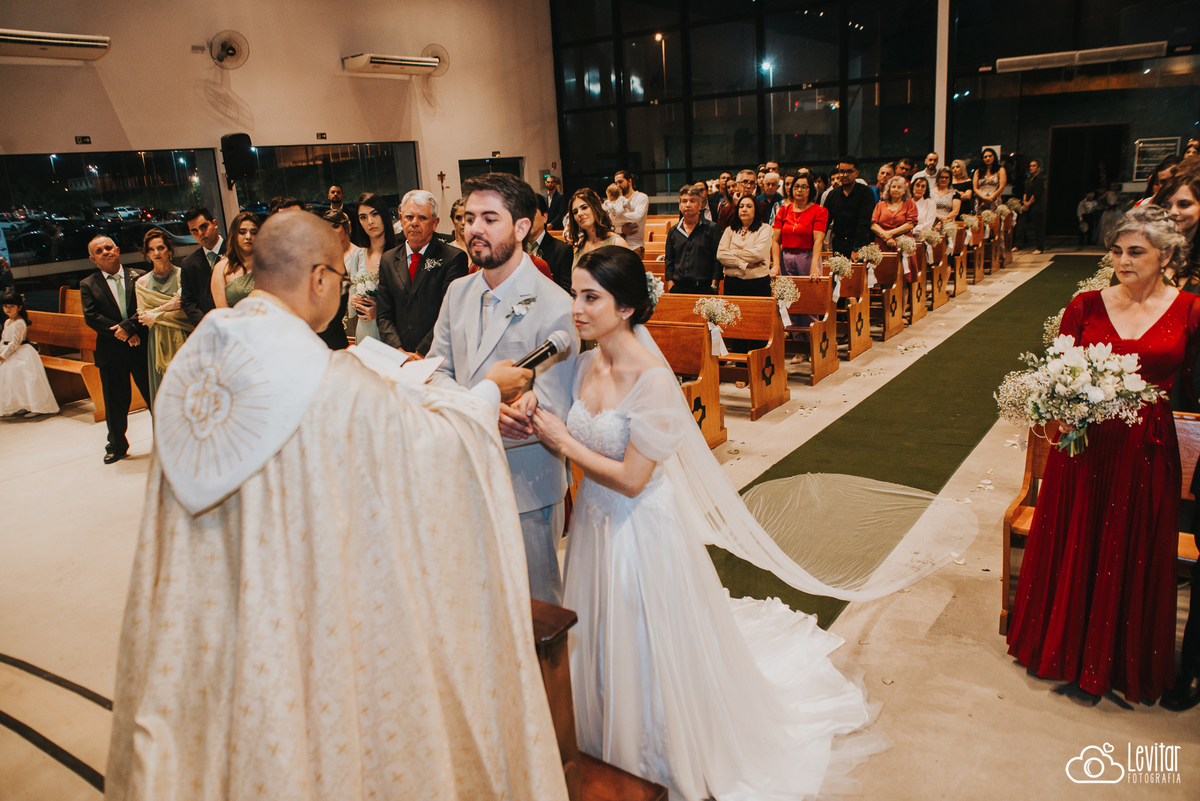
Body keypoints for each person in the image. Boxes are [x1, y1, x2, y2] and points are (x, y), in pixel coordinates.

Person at [104, 209, 568, 801]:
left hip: (203, 615)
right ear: (321, 278)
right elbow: (429, 453)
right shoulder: (328, 385)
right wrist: (484, 395)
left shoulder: (197, 362)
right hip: (293, 613)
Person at [528, 246, 878, 800]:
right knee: (599, 634)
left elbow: (632, 478)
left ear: (625, 309)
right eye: (575, 294)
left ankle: (661, 753)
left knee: (646, 640)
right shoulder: (584, 362)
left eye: (590, 297)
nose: (576, 308)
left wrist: (564, 440)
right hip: (595, 527)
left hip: (639, 529)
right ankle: (602, 746)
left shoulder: (652, 380)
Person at [1007, 205, 1200, 705]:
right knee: (1079, 536)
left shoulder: (1190, 310)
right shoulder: (1086, 305)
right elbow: (1056, 374)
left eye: (1135, 251)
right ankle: (1063, 650)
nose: (1122, 260)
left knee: (1130, 545)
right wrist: (1060, 411)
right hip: (1087, 446)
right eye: (1116, 251)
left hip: (1147, 448)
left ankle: (1119, 659)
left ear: (1167, 255)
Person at [427, 172, 578, 604]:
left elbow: (552, 408)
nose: (474, 228)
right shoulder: (457, 292)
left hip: (526, 485)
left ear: (522, 227)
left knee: (536, 613)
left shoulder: (554, 305)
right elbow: (437, 372)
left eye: (489, 218)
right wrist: (484, 405)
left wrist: (483, 407)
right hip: (462, 478)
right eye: (470, 218)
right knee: (478, 606)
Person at [80, 235, 150, 464]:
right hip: (112, 350)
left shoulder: (139, 276)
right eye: (99, 251)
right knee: (115, 403)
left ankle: (169, 441)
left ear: (117, 250)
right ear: (92, 259)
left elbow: (146, 306)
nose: (105, 252)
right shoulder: (88, 284)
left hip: (141, 345)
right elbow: (92, 316)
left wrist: (129, 327)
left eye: (109, 247)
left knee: (155, 396)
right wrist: (121, 333)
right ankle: (117, 446)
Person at [377, 190, 469, 357]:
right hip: (400, 356)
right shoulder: (388, 260)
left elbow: (451, 313)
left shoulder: (453, 258)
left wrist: (420, 353)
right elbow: (384, 314)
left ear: (435, 223)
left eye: (422, 218)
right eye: (409, 217)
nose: (414, 223)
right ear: (400, 218)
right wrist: (399, 352)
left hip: (438, 355)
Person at [134, 228, 193, 409]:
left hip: (185, 338)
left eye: (160, 248)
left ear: (169, 250)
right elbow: (144, 318)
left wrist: (156, 314)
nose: (156, 253)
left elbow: (185, 313)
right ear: (147, 254)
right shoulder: (141, 283)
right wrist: (168, 307)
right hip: (158, 343)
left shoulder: (182, 275)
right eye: (151, 249)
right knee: (166, 397)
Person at [0, 289, 59, 417]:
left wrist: (3, 355)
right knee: (12, 378)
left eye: (11, 306)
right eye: (5, 306)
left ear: (19, 307)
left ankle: (36, 406)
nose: (8, 309)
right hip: (10, 352)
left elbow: (15, 343)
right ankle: (22, 404)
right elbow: (4, 340)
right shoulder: (7, 321)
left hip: (21, 353)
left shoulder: (20, 323)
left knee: (25, 377)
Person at [664, 185, 721, 294]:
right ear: (680, 205)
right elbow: (669, 260)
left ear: (700, 205)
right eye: (684, 201)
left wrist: (714, 286)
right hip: (679, 288)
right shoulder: (673, 231)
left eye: (692, 201)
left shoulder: (712, 228)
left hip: (705, 287)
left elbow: (717, 259)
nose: (688, 204)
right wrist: (670, 285)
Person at [179, 206, 224, 325]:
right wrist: (206, 324)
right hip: (208, 327)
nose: (200, 233)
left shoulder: (235, 251)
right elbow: (188, 302)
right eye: (194, 231)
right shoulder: (189, 263)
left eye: (204, 227)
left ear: (215, 223)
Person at [823, 157, 875, 258]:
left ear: (856, 173)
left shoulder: (866, 193)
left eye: (849, 171)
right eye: (842, 172)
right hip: (839, 244)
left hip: (860, 244)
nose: (845, 175)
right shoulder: (832, 195)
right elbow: (825, 221)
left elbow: (863, 222)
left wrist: (855, 248)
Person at [210, 211, 260, 308]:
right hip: (234, 321)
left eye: (253, 233)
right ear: (234, 235)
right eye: (242, 232)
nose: (248, 237)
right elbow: (222, 311)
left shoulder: (269, 265)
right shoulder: (221, 268)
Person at [567, 188, 628, 267]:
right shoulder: (578, 246)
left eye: (584, 207)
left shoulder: (617, 243)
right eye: (575, 212)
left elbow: (630, 277)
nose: (579, 213)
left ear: (595, 208)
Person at [527, 192, 573, 291]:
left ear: (545, 217)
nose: (527, 220)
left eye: (531, 214)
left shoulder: (562, 250)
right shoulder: (515, 251)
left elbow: (566, 292)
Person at [871, 176, 917, 251]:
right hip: (882, 243)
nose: (896, 189)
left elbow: (910, 224)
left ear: (904, 191)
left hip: (903, 244)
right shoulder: (880, 205)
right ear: (889, 189)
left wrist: (890, 233)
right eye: (893, 187)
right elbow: (873, 225)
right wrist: (887, 237)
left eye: (899, 187)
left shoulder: (910, 204)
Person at [614, 169, 650, 255]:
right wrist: (621, 229)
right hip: (618, 246)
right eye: (616, 183)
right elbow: (610, 222)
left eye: (620, 182)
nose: (618, 186)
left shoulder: (641, 197)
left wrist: (618, 217)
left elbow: (638, 217)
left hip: (635, 245)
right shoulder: (616, 200)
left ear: (629, 181)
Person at [1015, 159, 1046, 253]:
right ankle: (1018, 246)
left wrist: (1029, 203)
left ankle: (1039, 247)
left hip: (1036, 205)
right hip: (1027, 204)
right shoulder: (1029, 179)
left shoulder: (1040, 179)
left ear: (1039, 168)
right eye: (1031, 166)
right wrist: (1024, 201)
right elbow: (1026, 191)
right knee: (1021, 224)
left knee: (1038, 227)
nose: (1031, 168)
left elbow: (1036, 193)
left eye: (1034, 166)